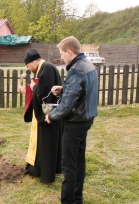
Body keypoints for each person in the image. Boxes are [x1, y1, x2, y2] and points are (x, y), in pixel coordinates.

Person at [45, 36, 98, 204]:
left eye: (62, 53)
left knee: (68, 165)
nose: (61, 57)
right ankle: (77, 197)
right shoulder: (88, 65)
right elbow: (83, 91)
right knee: (79, 161)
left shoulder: (76, 70)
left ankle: (68, 200)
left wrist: (51, 116)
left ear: (69, 51)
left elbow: (67, 105)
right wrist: (64, 88)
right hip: (86, 120)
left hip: (74, 123)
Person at [18, 48, 63, 184]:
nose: (28, 68)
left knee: (47, 144)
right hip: (50, 113)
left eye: (27, 65)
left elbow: (44, 94)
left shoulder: (46, 69)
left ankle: (46, 175)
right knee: (46, 144)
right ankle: (44, 168)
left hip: (49, 115)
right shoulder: (44, 68)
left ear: (33, 62)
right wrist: (27, 90)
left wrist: (32, 87)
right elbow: (42, 91)